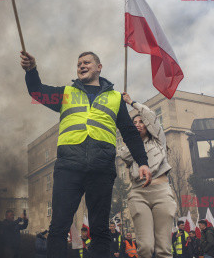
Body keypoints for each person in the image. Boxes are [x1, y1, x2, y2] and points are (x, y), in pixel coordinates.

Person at [20, 51, 151, 258]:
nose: (81, 65)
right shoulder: (66, 93)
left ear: (99, 67)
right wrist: (31, 70)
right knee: (59, 227)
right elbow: (37, 91)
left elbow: (129, 133)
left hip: (101, 170)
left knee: (99, 229)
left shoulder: (115, 98)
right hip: (68, 169)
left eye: (86, 62)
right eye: (79, 63)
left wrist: (142, 162)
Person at [119, 93, 176, 258]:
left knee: (163, 249)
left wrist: (132, 103)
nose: (138, 124)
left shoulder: (158, 141)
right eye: (134, 123)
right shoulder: (128, 150)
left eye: (140, 121)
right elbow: (124, 155)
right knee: (145, 248)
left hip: (161, 193)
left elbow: (151, 116)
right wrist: (131, 137)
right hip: (138, 194)